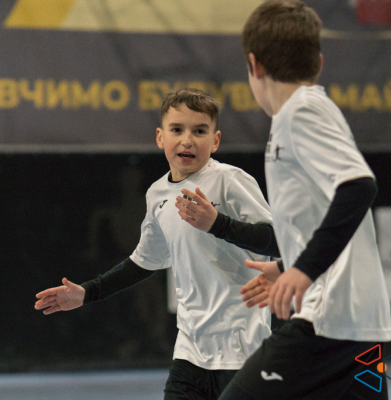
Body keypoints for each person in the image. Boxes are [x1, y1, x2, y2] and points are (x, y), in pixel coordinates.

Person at [35, 88, 282, 400]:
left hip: (243, 352)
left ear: (215, 141)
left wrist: (218, 224)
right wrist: (88, 292)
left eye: (199, 131)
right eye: (177, 129)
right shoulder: (157, 195)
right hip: (190, 354)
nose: (187, 140)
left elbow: (278, 240)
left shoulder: (230, 181)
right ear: (160, 137)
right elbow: (143, 262)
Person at [216, 1, 391, 399]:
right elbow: (325, 215)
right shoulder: (305, 113)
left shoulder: (301, 110)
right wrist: (287, 265)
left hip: (330, 321)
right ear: (319, 62)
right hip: (356, 324)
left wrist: (303, 270)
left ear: (254, 65)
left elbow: (358, 187)